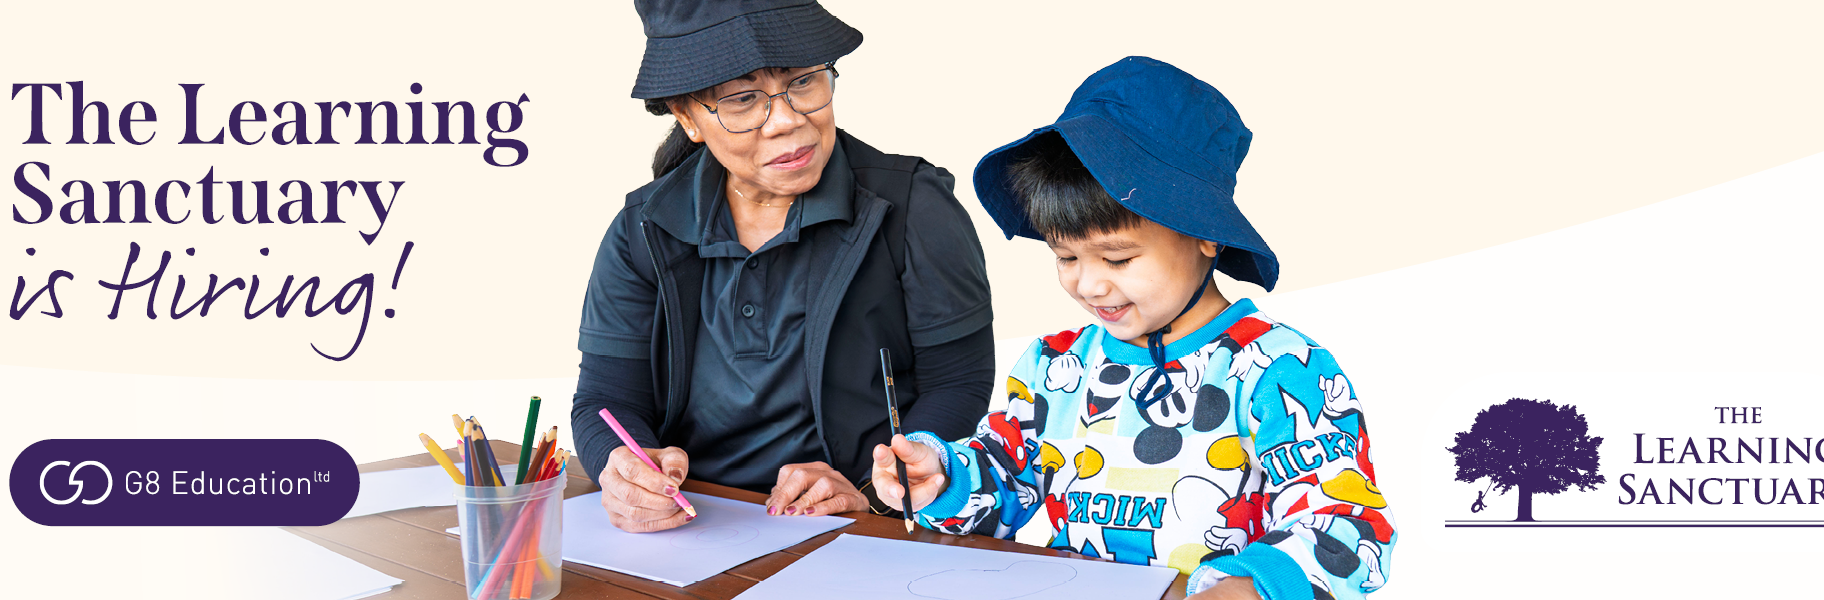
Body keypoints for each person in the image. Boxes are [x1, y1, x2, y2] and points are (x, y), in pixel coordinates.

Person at [870, 57, 1397, 599]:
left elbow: (1349, 530)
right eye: (1066, 257)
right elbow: (1003, 487)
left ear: (1206, 234)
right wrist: (941, 476)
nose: (1090, 286)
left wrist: (1245, 591)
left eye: (1117, 259)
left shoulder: (1277, 370)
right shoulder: (1053, 368)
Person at [571, 0, 995, 534]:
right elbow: (606, 399)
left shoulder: (915, 206)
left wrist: (876, 494)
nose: (789, 120)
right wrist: (624, 468)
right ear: (688, 118)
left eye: (804, 82)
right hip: (696, 526)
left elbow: (958, 382)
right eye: (743, 100)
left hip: (857, 528)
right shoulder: (643, 228)